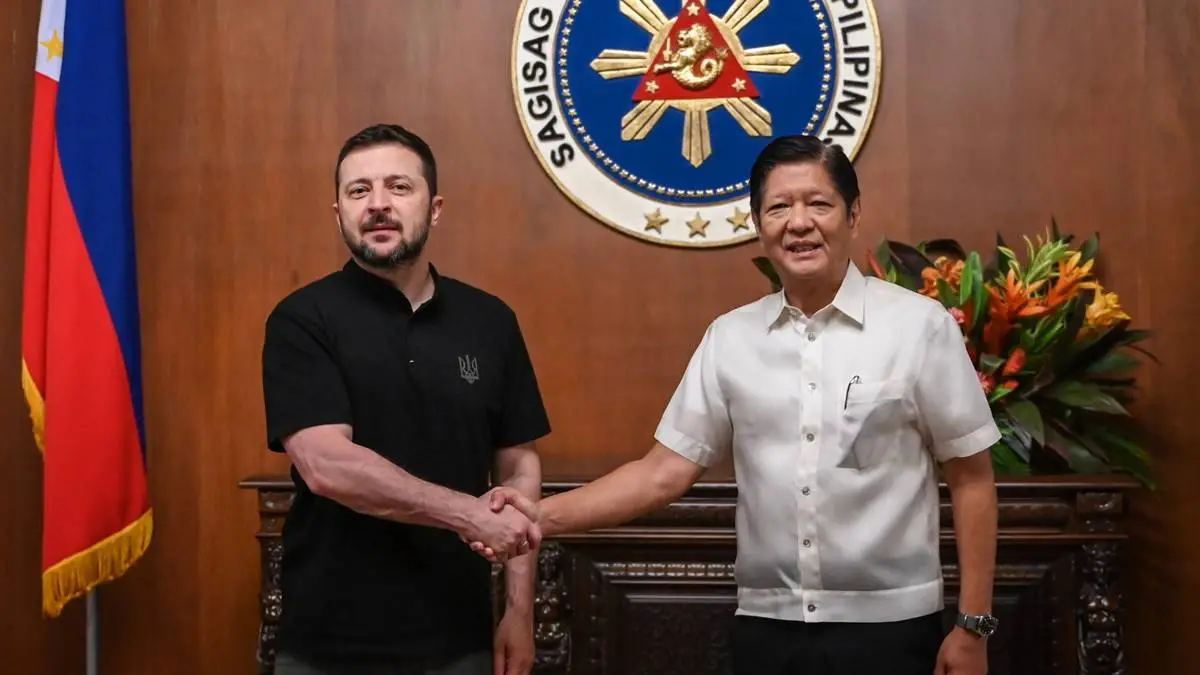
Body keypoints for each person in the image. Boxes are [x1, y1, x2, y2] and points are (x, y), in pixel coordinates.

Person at [479, 135, 1000, 675]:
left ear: (853, 214)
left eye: (819, 203)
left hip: (893, 629)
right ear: (757, 223)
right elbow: (662, 473)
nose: (799, 222)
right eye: (779, 207)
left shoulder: (919, 328)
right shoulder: (731, 338)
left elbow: (972, 478)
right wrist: (538, 517)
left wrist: (973, 627)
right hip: (767, 629)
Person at [261, 123, 549, 675]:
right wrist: (467, 514)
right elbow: (327, 466)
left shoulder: (490, 320)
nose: (378, 204)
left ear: (434, 208)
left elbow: (518, 468)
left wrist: (519, 610)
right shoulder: (302, 319)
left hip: (460, 637)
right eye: (359, 191)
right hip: (328, 644)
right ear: (339, 214)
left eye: (398, 187)